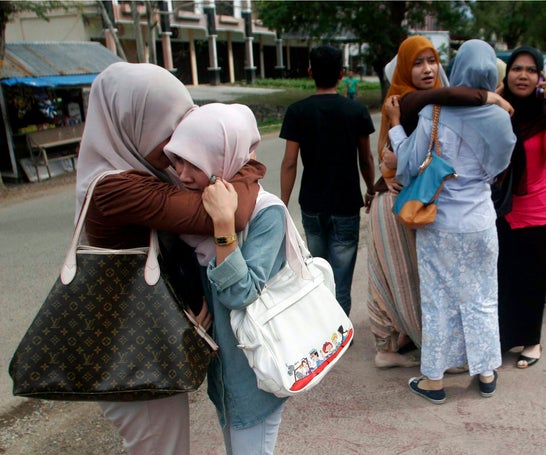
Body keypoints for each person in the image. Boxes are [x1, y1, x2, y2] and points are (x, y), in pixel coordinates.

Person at [76, 62, 265, 454]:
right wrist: (246, 162)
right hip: (132, 347)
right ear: (131, 124)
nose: (177, 142)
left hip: (146, 338)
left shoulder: (140, 171)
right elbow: (233, 214)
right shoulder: (117, 189)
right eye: (167, 130)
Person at [368, 35, 513, 370]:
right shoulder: (499, 117)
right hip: (475, 217)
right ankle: (484, 370)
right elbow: (499, 166)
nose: (428, 69)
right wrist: (488, 97)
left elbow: (403, 160)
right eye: (418, 62)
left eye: (432, 61)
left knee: (434, 297)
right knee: (480, 297)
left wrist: (394, 136)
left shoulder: (432, 111)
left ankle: (434, 373)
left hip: (432, 213)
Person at [164, 103, 288, 455]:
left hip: (255, 379)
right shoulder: (193, 215)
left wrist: (223, 225)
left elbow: (240, 294)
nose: (183, 174)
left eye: (195, 162)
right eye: (178, 161)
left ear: (222, 159)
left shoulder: (266, 214)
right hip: (224, 377)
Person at [496, 47, 546, 369]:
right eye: (517, 69)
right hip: (500, 209)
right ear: (507, 74)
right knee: (502, 279)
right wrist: (497, 95)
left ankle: (531, 340)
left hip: (536, 210)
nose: (523, 75)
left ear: (541, 77)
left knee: (531, 279)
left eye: (531, 70)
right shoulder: (497, 111)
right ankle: (503, 338)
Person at [280, 44, 376, 316]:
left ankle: (322, 333)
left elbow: (289, 162)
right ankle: (341, 331)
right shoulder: (356, 111)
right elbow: (366, 159)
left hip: (312, 204)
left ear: (310, 72)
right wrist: (370, 188)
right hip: (345, 205)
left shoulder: (297, 111)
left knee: (318, 273)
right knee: (342, 276)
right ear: (342, 74)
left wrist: (282, 205)